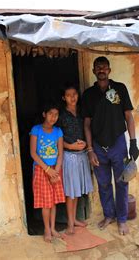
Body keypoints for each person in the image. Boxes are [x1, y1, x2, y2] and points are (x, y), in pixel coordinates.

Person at [81, 56, 139, 235]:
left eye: (104, 67)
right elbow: (87, 124)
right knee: (104, 184)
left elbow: (128, 116)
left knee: (122, 183)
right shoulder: (88, 95)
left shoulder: (120, 89)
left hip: (118, 143)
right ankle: (109, 215)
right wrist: (90, 150)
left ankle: (122, 219)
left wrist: (133, 142)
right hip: (98, 147)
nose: (101, 70)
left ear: (109, 70)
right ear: (93, 71)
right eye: (98, 67)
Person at [58, 83, 94, 235]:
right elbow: (57, 138)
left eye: (74, 94)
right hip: (69, 156)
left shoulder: (82, 111)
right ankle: (70, 223)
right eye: (68, 95)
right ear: (63, 98)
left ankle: (74, 220)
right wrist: (70, 146)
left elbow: (88, 129)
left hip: (82, 155)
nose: (72, 98)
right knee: (71, 191)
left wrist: (86, 144)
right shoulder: (61, 115)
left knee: (77, 189)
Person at [29, 103, 65, 242]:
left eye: (56, 114)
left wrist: (56, 170)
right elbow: (33, 153)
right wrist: (48, 169)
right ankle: (47, 229)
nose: (53, 117)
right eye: (50, 114)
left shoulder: (58, 131)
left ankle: (53, 228)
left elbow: (60, 153)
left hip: (55, 169)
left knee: (53, 201)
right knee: (46, 203)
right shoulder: (36, 130)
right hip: (41, 169)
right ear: (44, 114)